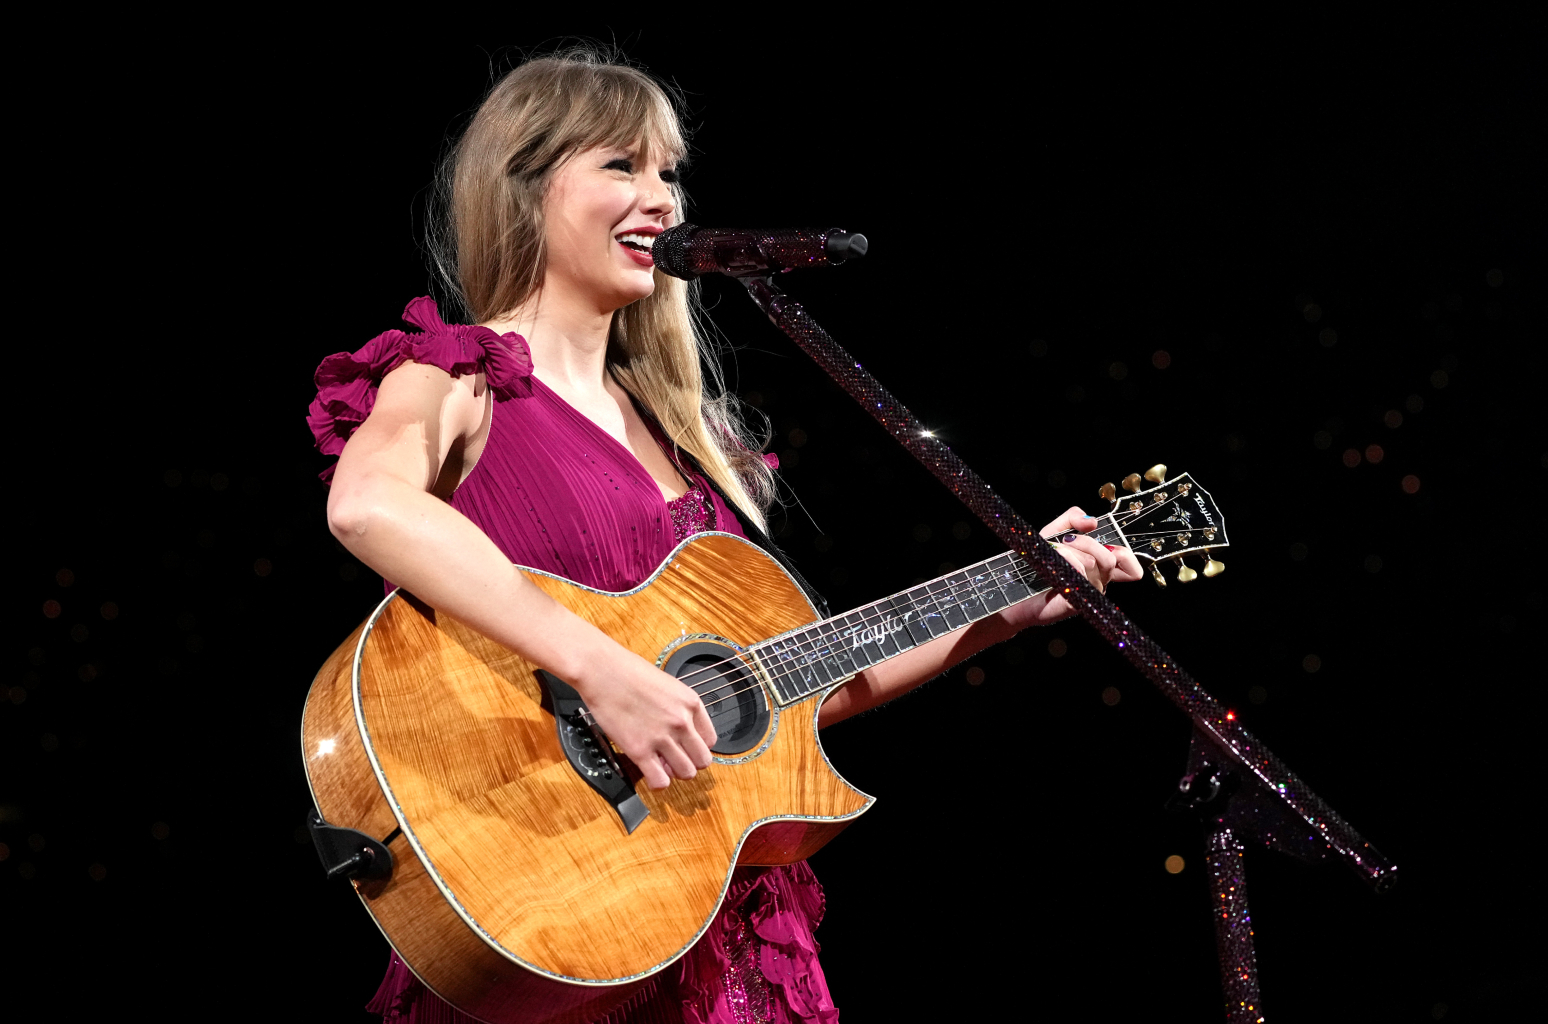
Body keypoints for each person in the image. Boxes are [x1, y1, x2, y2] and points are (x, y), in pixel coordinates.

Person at [308, 48, 1141, 1024]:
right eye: (623, 165)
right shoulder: (458, 380)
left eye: (670, 172)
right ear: (524, 185)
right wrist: (601, 670)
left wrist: (1013, 599)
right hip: (549, 889)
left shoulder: (677, 436)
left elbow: (783, 705)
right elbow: (368, 505)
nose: (662, 198)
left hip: (715, 911)